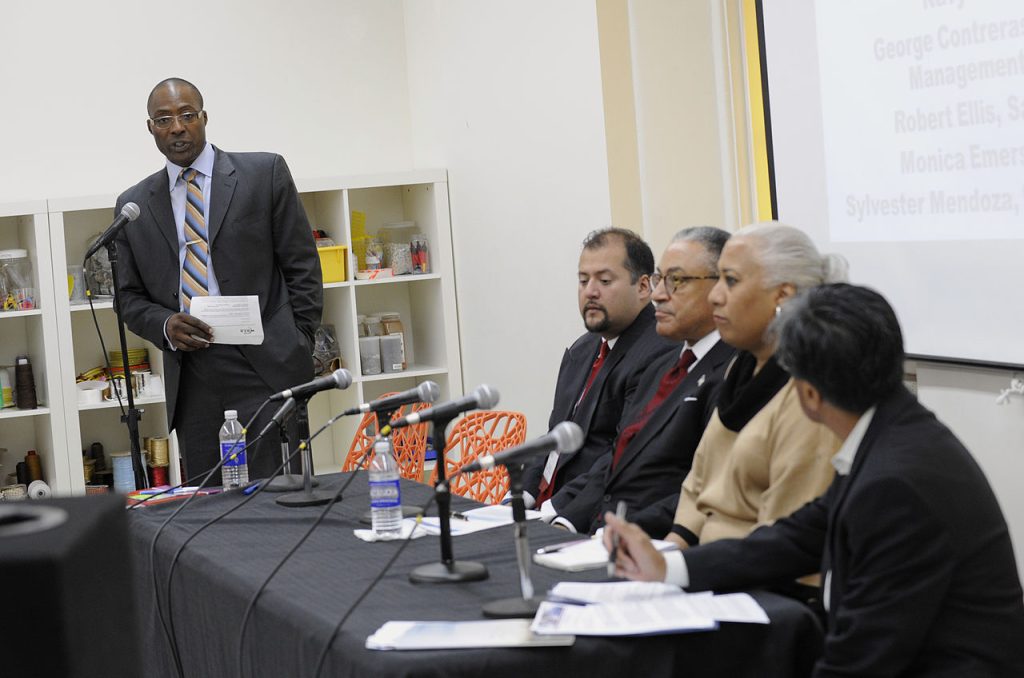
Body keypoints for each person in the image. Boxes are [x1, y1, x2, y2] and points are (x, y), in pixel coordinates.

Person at [605, 283, 1024, 677]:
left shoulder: (894, 481)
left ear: (806, 393)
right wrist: (667, 566)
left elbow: (863, 659)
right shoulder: (891, 435)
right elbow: (796, 538)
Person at [114, 78, 323, 481]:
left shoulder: (264, 173)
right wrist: (165, 324)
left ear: (204, 118)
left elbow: (302, 266)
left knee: (276, 497)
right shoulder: (134, 204)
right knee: (205, 505)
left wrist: (302, 338)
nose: (177, 127)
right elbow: (128, 297)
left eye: (187, 115)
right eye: (164, 119)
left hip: (264, 362)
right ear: (150, 128)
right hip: (191, 371)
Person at [661, 223, 843, 554]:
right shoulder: (742, 365)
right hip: (706, 564)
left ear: (783, 295)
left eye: (730, 281)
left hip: (764, 583)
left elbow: (785, 538)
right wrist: (669, 552)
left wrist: (681, 572)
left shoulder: (811, 389)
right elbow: (699, 482)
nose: (715, 295)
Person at [543, 227, 734, 536]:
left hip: (652, 541)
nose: (660, 295)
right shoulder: (665, 366)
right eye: (661, 280)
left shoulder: (732, 371)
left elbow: (699, 485)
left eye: (677, 281)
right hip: (603, 531)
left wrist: (610, 530)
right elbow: (621, 455)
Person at [520, 228, 676, 507]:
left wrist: (555, 511)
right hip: (543, 508)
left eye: (604, 280)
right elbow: (556, 436)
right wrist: (521, 496)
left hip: (588, 515)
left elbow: (623, 454)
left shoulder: (659, 351)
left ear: (643, 287)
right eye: (583, 280)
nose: (590, 291)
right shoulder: (583, 348)